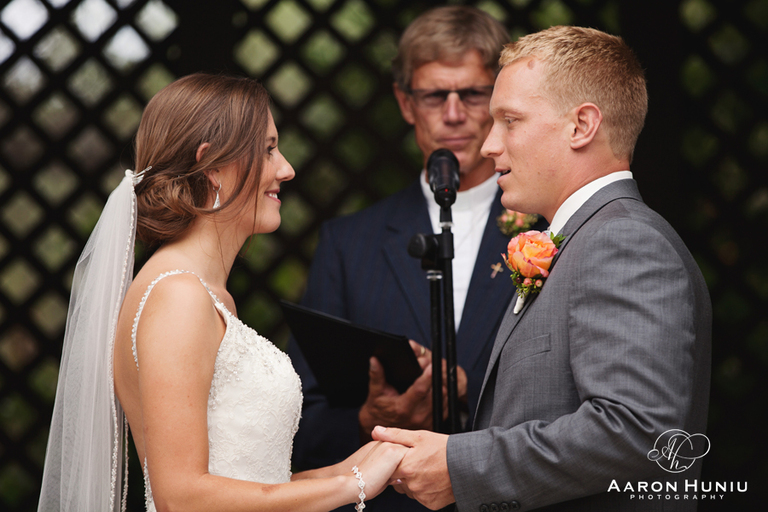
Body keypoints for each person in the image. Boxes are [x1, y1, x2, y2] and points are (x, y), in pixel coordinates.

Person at [373, 25, 712, 511]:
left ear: (581, 126)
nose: (489, 145)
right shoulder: (583, 239)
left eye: (510, 120)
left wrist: (459, 465)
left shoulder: (624, 241)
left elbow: (638, 430)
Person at [37, 73, 408, 512]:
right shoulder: (178, 297)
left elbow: (250, 482)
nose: (286, 168)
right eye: (269, 149)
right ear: (212, 166)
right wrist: (353, 486)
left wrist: (347, 469)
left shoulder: (207, 295)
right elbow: (182, 497)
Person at [289, 7, 545, 511]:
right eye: (434, 96)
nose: (453, 114)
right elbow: (299, 423)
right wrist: (369, 420)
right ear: (406, 103)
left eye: (472, 94)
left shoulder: (547, 228)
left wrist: (469, 392)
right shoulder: (348, 243)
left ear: (498, 99)